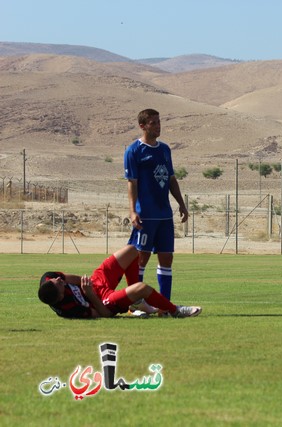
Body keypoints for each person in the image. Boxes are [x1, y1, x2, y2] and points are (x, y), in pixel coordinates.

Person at [124, 109, 188, 302]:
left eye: (159, 122)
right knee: (141, 260)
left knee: (167, 258)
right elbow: (132, 183)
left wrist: (182, 205)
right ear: (142, 126)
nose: (158, 126)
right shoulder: (133, 150)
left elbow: (171, 179)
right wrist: (133, 211)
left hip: (164, 216)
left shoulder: (165, 149)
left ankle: (164, 305)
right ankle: (136, 303)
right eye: (153, 123)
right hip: (146, 216)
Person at [38, 245, 201, 319]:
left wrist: (90, 285)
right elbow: (105, 314)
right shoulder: (68, 309)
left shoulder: (48, 278)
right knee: (142, 287)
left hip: (96, 280)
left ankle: (137, 302)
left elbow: (75, 279)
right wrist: (90, 295)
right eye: (59, 284)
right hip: (102, 302)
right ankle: (174, 311)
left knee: (132, 250)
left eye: (56, 279)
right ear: (59, 296)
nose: (59, 279)